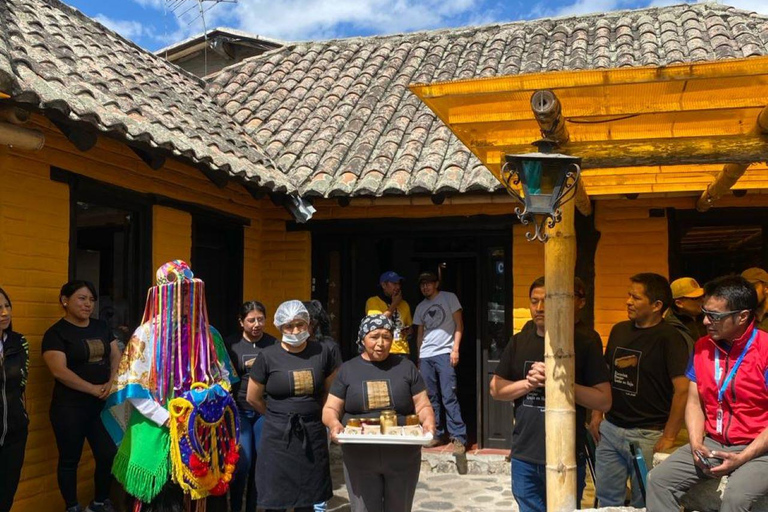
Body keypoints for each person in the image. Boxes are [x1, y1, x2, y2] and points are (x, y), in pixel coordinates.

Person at [102, 261, 238, 510]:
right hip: (159, 423)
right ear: (164, 296)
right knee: (161, 498)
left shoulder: (209, 334)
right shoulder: (146, 334)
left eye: (190, 293)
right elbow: (135, 387)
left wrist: (209, 404)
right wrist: (167, 418)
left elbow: (223, 379)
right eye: (180, 293)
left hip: (200, 424)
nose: (186, 299)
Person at [647, 275, 768, 512]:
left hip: (759, 448)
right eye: (704, 312)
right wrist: (695, 442)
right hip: (714, 442)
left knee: (736, 498)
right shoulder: (702, 347)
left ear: (742, 316)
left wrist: (742, 458)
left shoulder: (764, 351)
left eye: (715, 316)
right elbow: (694, 400)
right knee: (657, 480)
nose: (704, 321)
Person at [490, 277, 612, 512]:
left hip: (566, 456)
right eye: (534, 301)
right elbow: (496, 389)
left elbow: (604, 400)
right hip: (525, 453)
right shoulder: (519, 341)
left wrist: (560, 382)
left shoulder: (584, 342)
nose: (540, 308)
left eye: (546, 301)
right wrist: (529, 383)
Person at [589, 273, 690, 508]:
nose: (628, 301)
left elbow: (683, 390)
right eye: (628, 295)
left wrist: (669, 436)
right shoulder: (619, 330)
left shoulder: (670, 338)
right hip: (611, 430)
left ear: (656, 305)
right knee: (607, 500)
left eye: (636, 297)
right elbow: (604, 375)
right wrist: (596, 414)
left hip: (647, 435)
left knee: (643, 501)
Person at [323, 314, 436, 512]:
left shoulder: (406, 367)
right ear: (362, 339)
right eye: (374, 337)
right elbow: (331, 408)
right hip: (360, 455)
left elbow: (422, 405)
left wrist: (428, 423)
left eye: (386, 336)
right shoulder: (348, 370)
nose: (381, 343)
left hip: (402, 454)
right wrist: (334, 424)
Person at [247, 300, 339, 512]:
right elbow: (254, 397)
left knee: (308, 496)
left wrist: (321, 416)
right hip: (277, 436)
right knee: (276, 498)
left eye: (300, 324)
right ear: (280, 327)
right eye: (289, 326)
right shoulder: (268, 356)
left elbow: (330, 392)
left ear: (308, 324)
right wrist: (276, 415)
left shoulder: (322, 352)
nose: (296, 330)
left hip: (312, 432)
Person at [42, 281, 120, 512]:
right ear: (65, 300)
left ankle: (98, 503)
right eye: (82, 298)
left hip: (100, 405)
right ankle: (72, 506)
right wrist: (92, 388)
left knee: (107, 453)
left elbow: (116, 354)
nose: (88, 304)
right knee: (70, 460)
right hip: (69, 408)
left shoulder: (101, 327)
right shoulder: (56, 333)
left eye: (91, 299)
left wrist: (111, 381)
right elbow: (59, 371)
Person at [226, 301, 278, 512]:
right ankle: (235, 505)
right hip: (239, 411)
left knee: (259, 463)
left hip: (263, 411)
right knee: (242, 463)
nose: (256, 324)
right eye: (251, 320)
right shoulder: (231, 345)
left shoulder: (273, 345)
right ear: (241, 322)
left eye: (260, 319)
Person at [413, 271, 467, 452]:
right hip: (426, 355)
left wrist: (455, 348)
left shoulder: (449, 298)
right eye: (422, 284)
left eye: (428, 283)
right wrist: (419, 357)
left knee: (449, 395)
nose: (425, 287)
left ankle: (458, 436)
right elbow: (420, 333)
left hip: (445, 352)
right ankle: (435, 433)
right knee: (430, 396)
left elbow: (459, 324)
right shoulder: (420, 307)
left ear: (436, 284)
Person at [0, 287, 29, 512]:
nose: (4, 313)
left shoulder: (19, 342)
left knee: (6, 495)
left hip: (15, 432)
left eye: (7, 306)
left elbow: (21, 384)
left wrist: (22, 415)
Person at [366, 271, 413, 356]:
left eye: (399, 284)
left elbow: (410, 328)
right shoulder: (373, 302)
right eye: (394, 284)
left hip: (402, 350)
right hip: (382, 349)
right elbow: (377, 323)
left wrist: (407, 331)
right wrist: (394, 304)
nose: (398, 287)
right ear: (384, 285)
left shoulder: (404, 304)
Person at [665, 277, 706, 352]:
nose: (702, 300)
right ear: (679, 303)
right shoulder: (670, 327)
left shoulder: (707, 317)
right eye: (696, 298)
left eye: (702, 296)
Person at [740, 267, 768, 332]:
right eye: (742, 288)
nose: (746, 292)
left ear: (766, 288)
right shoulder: (742, 317)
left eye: (752, 287)